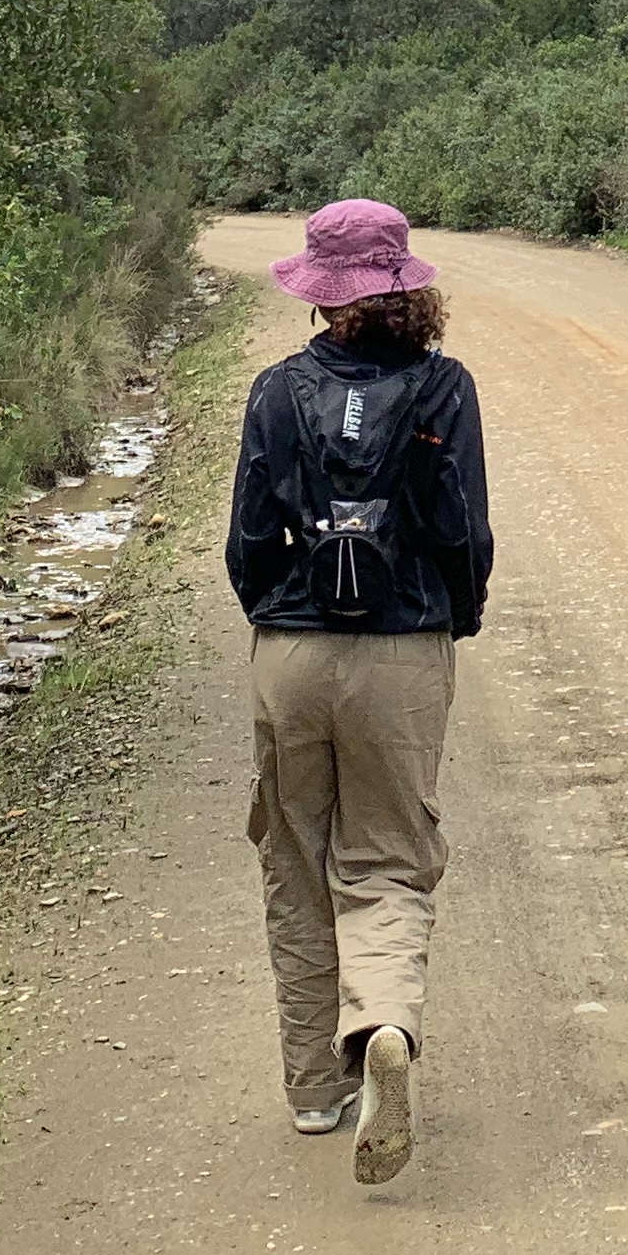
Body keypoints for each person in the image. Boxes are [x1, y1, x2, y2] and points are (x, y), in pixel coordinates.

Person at [226, 198, 495, 1186]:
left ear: (320, 291)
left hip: (292, 649)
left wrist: (277, 611)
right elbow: (464, 528)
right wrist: (450, 618)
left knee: (294, 859)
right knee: (386, 861)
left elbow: (250, 539)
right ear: (406, 288)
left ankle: (312, 1087)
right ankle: (380, 1023)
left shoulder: (275, 391)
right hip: (403, 648)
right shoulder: (443, 388)